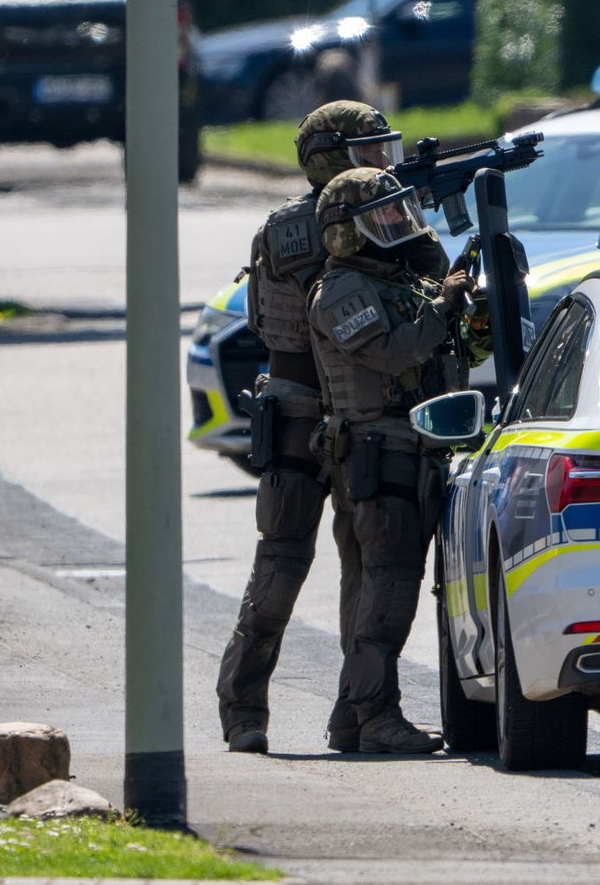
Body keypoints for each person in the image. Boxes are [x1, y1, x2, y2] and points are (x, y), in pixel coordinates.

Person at [216, 101, 409, 755]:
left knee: (333, 566)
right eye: (369, 151)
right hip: (322, 412)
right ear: (334, 158)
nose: (382, 161)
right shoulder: (331, 224)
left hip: (329, 412)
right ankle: (321, 712)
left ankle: (309, 713)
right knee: (323, 566)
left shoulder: (295, 225)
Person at [307, 167, 490, 754]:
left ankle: (351, 717)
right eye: (382, 215)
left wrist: (464, 307)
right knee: (387, 592)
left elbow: (447, 348)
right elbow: (395, 351)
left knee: (382, 590)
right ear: (348, 231)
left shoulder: (400, 279)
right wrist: (441, 305)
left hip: (410, 450)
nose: (397, 222)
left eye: (397, 211)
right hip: (377, 454)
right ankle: (377, 718)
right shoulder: (340, 292)